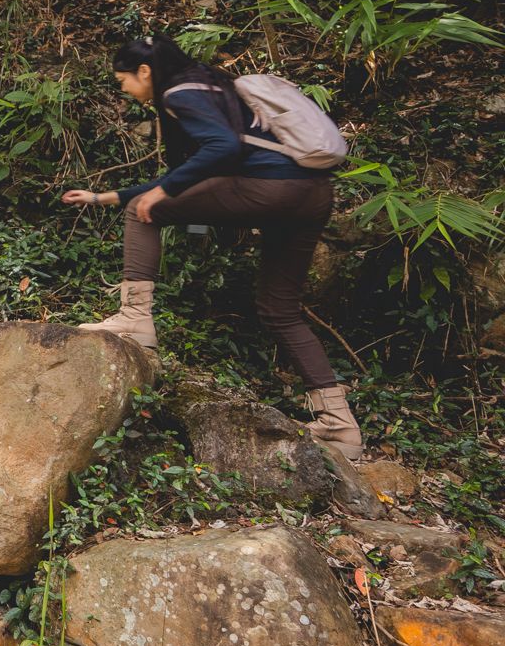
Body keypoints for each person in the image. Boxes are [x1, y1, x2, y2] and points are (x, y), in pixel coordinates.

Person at [60, 34, 360, 458]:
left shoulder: (180, 94)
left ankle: (135, 318)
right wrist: (105, 197)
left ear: (145, 72)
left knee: (146, 212)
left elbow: (222, 148)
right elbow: (193, 173)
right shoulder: (212, 85)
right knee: (279, 309)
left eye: (123, 79)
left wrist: (157, 196)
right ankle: (340, 427)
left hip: (269, 189)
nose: (124, 89)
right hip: (312, 195)